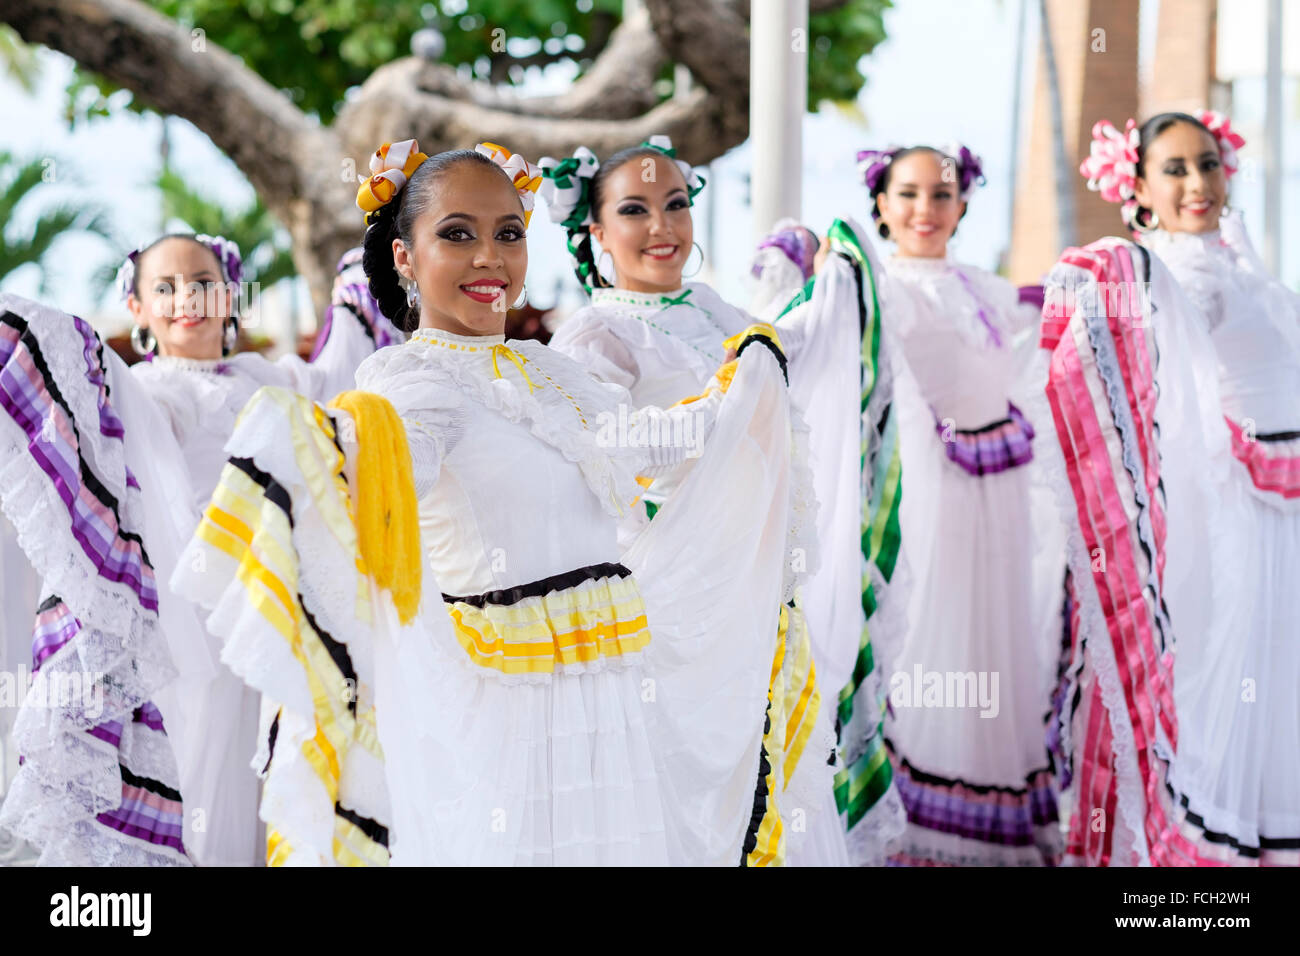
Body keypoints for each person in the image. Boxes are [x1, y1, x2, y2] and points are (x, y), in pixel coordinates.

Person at [173, 140, 809, 866]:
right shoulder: (408, 382)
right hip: (507, 709)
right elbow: (390, 469)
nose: (489, 257)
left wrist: (741, 386)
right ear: (405, 258)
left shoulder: (546, 369)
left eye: (508, 233)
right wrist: (329, 451)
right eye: (457, 234)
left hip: (609, 695)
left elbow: (636, 441)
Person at [540, 137, 906, 864]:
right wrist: (722, 407)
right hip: (669, 591)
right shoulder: (595, 333)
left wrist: (828, 283)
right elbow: (605, 453)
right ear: (596, 232)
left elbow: (785, 354)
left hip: (755, 581)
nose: (662, 227)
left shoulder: (712, 309)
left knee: (762, 766)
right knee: (682, 776)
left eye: (676, 204)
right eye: (635, 210)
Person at [0, 237, 392, 865]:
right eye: (167, 287)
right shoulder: (140, 394)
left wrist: (363, 264)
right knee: (200, 776)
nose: (188, 298)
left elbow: (343, 371)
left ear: (231, 295)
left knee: (271, 777)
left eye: (204, 282)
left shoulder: (274, 377)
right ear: (137, 306)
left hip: (280, 621)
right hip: (192, 630)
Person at [1044, 111, 1299, 866]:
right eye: (1176, 168)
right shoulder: (1174, 274)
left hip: (1286, 510)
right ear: (1140, 188)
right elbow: (1152, 352)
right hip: (1243, 516)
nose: (1198, 182)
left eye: (1208, 164)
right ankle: (1191, 881)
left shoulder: (1242, 264)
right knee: (1228, 684)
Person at [859, 143, 1066, 865]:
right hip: (927, 485)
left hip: (999, 486)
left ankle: (990, 805)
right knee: (927, 629)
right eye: (908, 193)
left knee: (992, 630)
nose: (925, 209)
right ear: (880, 203)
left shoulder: (983, 286)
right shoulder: (870, 286)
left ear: (964, 203)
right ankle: (918, 822)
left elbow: (1034, 326)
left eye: (942, 194)